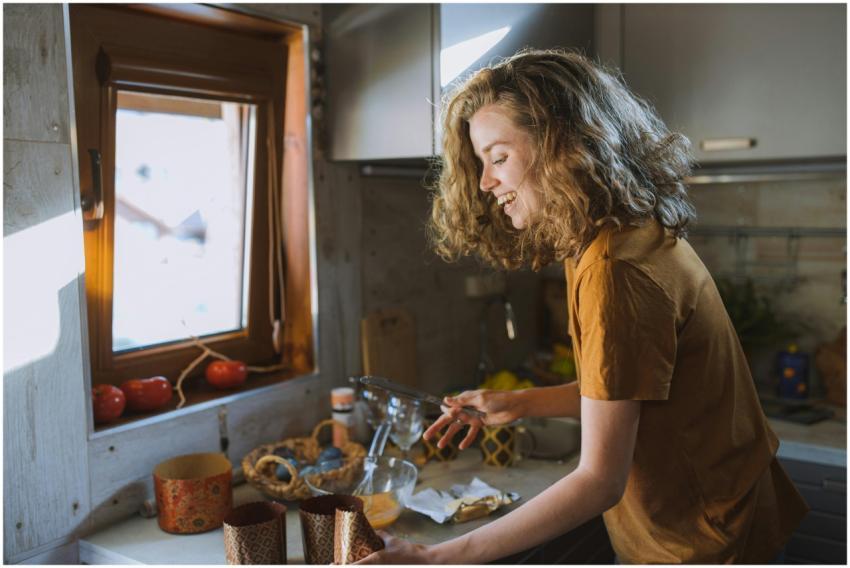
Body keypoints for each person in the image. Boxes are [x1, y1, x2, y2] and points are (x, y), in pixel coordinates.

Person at [356, 48, 808, 564]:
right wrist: (520, 404)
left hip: (699, 538)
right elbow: (633, 386)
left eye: (499, 157)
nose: (485, 183)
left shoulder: (613, 270)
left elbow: (599, 482)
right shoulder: (614, 231)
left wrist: (438, 557)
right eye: (482, 164)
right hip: (724, 508)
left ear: (563, 144)